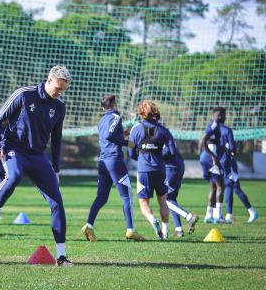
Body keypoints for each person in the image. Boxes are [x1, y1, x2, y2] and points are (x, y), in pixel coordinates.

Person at [0, 65, 73, 266]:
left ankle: (61, 256)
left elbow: (57, 139)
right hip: (14, 148)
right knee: (13, 177)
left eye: (63, 90)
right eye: (57, 87)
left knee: (57, 202)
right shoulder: (24, 94)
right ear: (49, 80)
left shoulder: (59, 107)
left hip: (37, 156)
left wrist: (56, 168)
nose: (59, 93)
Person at [81, 95, 144, 242]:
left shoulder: (102, 120)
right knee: (127, 196)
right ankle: (130, 231)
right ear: (114, 105)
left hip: (103, 161)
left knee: (101, 197)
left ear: (103, 107)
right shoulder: (115, 116)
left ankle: (89, 225)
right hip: (114, 160)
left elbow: (107, 135)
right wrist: (128, 143)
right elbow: (110, 136)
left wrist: (123, 133)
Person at [128, 100, 171, 240]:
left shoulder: (136, 129)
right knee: (162, 200)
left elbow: (131, 152)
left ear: (141, 113)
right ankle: (165, 232)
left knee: (143, 202)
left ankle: (153, 221)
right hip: (160, 169)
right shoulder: (163, 130)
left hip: (143, 170)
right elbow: (170, 151)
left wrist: (140, 158)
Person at [220, 123, 259, 224]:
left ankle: (252, 211)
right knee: (228, 186)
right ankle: (229, 215)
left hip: (230, 163)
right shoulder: (221, 132)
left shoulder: (225, 131)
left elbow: (233, 149)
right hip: (225, 163)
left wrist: (231, 153)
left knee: (236, 188)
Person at [163, 128, 199, 237]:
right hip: (178, 166)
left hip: (171, 168)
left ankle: (188, 217)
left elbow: (167, 152)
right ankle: (178, 229)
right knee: (171, 199)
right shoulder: (165, 133)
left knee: (165, 199)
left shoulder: (159, 135)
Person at [199, 107, 226, 224]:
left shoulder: (216, 126)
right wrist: (213, 156)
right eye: (220, 115)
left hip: (206, 158)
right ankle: (218, 216)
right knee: (221, 186)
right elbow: (202, 141)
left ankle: (208, 215)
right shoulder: (214, 126)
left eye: (224, 115)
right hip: (210, 159)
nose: (223, 117)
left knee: (213, 187)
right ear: (214, 116)